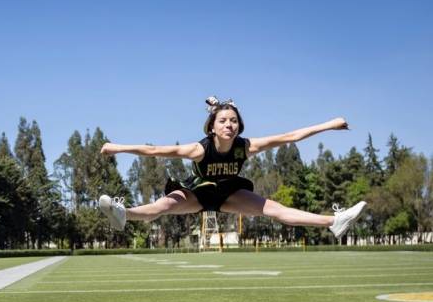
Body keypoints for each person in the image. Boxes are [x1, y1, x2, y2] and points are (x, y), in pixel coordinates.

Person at [98, 96, 366, 238]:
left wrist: (329, 125)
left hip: (229, 194)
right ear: (212, 127)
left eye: (234, 121)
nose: (229, 125)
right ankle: (123, 213)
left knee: (275, 209)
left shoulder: (245, 146)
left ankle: (335, 221)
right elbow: (155, 151)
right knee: (162, 206)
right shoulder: (199, 149)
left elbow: (290, 136)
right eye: (223, 121)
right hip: (198, 193)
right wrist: (117, 147)